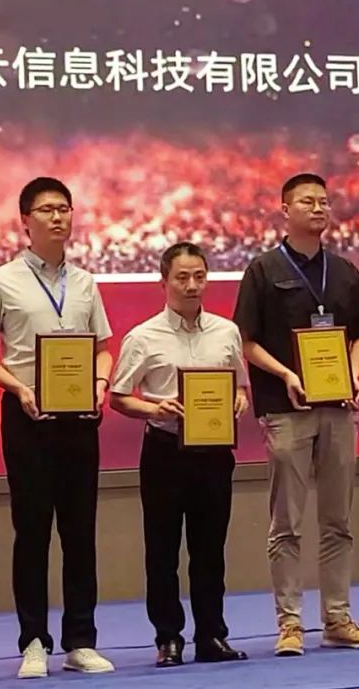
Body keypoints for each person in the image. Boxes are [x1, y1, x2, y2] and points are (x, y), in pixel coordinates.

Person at [232, 172, 359, 656]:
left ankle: (338, 618)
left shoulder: (343, 270)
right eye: (307, 201)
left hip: (339, 409)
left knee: (338, 520)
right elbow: (246, 341)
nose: (318, 208)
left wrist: (354, 373)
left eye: (324, 201)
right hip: (287, 410)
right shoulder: (262, 270)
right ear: (285, 210)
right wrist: (286, 375)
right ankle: (290, 624)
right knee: (287, 524)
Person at [0, 177, 115, 679]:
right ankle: (33, 641)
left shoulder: (86, 282)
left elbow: (103, 348)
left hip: (79, 418)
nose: (58, 217)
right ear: (25, 221)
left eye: (64, 209)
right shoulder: (1, 281)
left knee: (80, 532)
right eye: (47, 209)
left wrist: (99, 382)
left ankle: (81, 640)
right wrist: (17, 387)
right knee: (31, 531)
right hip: (28, 415)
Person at [109, 242, 250, 668]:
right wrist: (154, 409)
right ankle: (168, 637)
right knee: (163, 550)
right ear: (164, 282)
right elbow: (118, 397)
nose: (192, 286)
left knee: (210, 549)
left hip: (213, 452)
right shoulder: (143, 336)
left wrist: (239, 401)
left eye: (199, 277)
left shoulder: (226, 331)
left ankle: (212, 635)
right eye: (182, 277)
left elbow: (240, 386)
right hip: (165, 451)